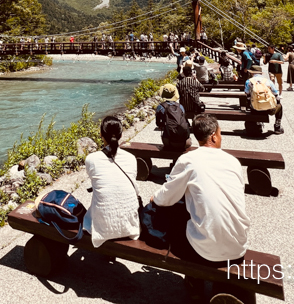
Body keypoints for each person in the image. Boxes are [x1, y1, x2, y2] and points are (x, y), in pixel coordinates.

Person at [151, 115, 250, 298]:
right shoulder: (233, 162)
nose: (221, 138)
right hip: (238, 246)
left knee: (179, 215)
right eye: (220, 134)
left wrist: (154, 198)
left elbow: (166, 198)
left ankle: (194, 281)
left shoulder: (188, 160)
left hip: (204, 251)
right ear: (213, 136)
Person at [83, 116, 140, 247]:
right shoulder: (131, 158)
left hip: (102, 228)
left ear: (101, 134)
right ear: (121, 135)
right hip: (130, 227)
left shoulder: (92, 159)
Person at [245, 65, 284, 134]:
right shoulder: (268, 81)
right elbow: (276, 94)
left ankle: (258, 124)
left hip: (255, 109)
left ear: (252, 73)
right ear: (260, 73)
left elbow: (246, 93)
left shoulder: (249, 82)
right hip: (269, 109)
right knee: (279, 106)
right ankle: (277, 126)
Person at [155, 84, 192, 149]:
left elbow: (158, 123)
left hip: (168, 142)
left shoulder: (160, 107)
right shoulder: (180, 106)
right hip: (185, 142)